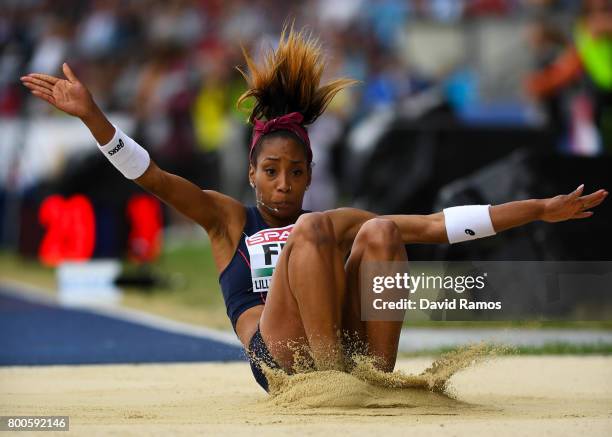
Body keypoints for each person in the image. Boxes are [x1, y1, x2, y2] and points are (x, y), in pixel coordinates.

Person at [21, 25, 608, 392]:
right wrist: (95, 119)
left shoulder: (328, 221)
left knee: (378, 230)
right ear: (251, 173)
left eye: (295, 173)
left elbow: (436, 227)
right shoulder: (227, 219)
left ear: (310, 175)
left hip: (348, 342)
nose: (282, 185)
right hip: (279, 362)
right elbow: (151, 176)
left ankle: (371, 378)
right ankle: (333, 385)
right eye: (271, 172)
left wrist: (536, 210)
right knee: (314, 232)